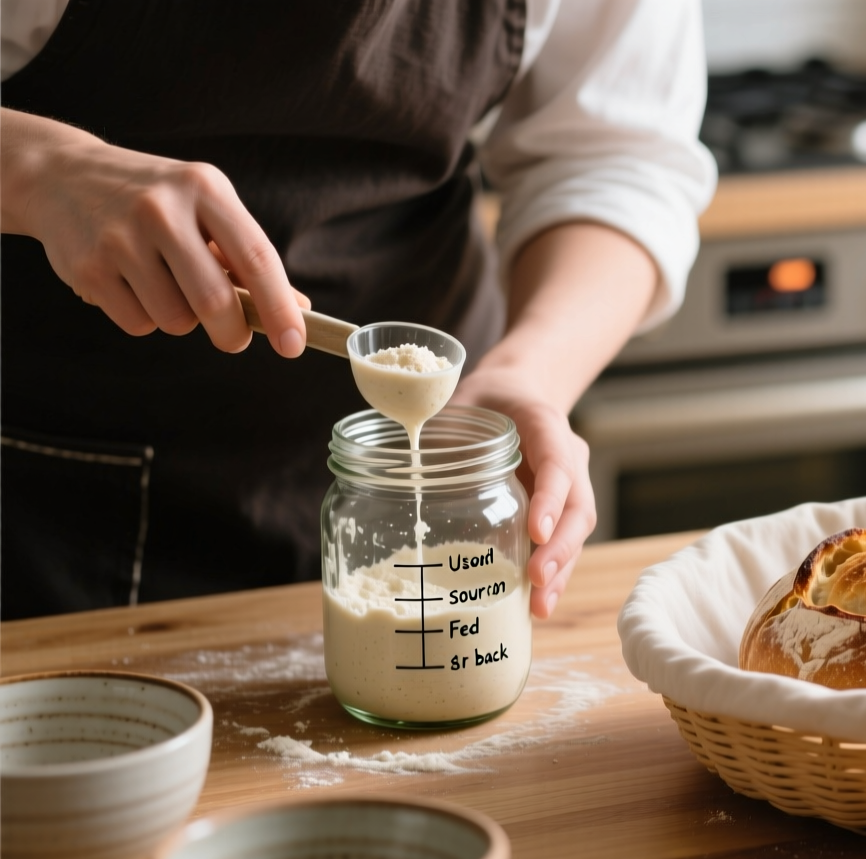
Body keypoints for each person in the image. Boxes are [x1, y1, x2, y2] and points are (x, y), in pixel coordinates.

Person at [0, 0, 716, 619]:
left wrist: (530, 373)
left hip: (419, 459)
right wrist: (37, 168)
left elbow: (616, 159)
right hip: (46, 482)